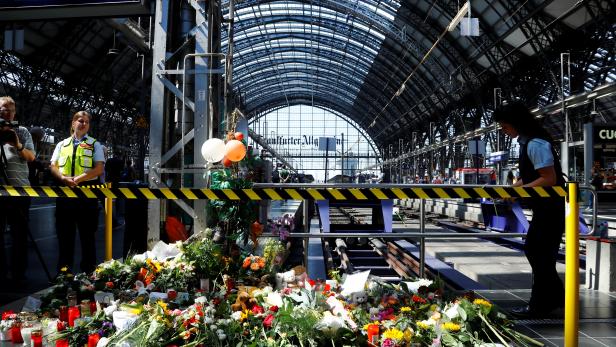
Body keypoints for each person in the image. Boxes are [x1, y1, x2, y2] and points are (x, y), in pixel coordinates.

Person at [493, 101, 565, 318]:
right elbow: (533, 175)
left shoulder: (536, 144)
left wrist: (518, 191)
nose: (503, 131)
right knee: (539, 254)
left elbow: (548, 178)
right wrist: (515, 187)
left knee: (538, 253)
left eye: (505, 126)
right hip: (544, 209)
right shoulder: (528, 143)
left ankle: (541, 305)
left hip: (550, 210)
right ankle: (554, 299)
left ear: (517, 123)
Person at [50, 111, 105, 274]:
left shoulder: (95, 144)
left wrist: (79, 179)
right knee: (65, 237)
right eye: (80, 121)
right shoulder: (61, 144)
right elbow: (53, 166)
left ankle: (89, 273)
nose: (83, 124)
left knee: (87, 237)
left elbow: (99, 168)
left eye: (87, 122)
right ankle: (64, 274)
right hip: (65, 197)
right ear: (73, 123)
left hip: (86, 198)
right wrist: (63, 178)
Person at [0, 96, 35, 283]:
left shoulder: (22, 132)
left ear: (15, 113)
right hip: (0, 191)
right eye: (3, 109)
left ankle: (19, 274)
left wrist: (17, 144)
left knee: (19, 235)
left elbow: (30, 157)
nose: (7, 113)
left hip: (20, 191)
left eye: (10, 110)